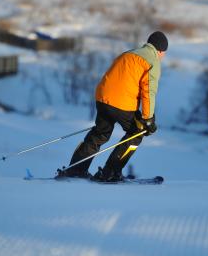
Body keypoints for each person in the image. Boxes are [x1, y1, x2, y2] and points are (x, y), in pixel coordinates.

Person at [58, 31, 168, 182]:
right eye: (164, 54)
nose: (163, 57)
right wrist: (148, 120)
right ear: (160, 50)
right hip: (122, 102)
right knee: (136, 133)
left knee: (99, 134)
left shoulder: (129, 53)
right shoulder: (152, 61)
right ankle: (110, 172)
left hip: (102, 97)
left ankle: (76, 170)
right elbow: (149, 91)